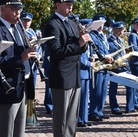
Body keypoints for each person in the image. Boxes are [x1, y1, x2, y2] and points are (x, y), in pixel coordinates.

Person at [0, 0, 38, 136]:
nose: (18, 12)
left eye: (19, 8)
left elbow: (22, 52)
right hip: (7, 88)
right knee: (5, 131)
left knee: (19, 131)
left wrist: (31, 49)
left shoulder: (19, 28)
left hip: (22, 86)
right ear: (3, 9)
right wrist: (20, 57)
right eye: (14, 8)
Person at [43, 0, 91, 136]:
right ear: (57, 4)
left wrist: (84, 40)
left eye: (71, 4)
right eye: (67, 4)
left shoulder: (72, 23)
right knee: (61, 117)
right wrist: (79, 44)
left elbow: (80, 48)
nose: (70, 7)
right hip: (62, 76)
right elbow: (56, 51)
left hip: (75, 74)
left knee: (72, 117)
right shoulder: (52, 24)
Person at [88, 14, 113, 120]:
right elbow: (92, 51)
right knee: (96, 90)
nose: (101, 26)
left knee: (103, 90)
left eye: (102, 23)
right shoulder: (92, 35)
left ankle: (100, 110)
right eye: (99, 23)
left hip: (105, 65)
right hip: (98, 65)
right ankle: (93, 112)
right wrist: (103, 57)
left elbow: (106, 49)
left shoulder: (103, 35)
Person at [20, 11, 42, 126]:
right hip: (24, 64)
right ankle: (24, 116)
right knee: (24, 90)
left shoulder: (33, 31)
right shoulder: (19, 31)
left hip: (33, 64)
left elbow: (39, 49)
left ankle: (30, 116)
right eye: (24, 20)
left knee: (31, 91)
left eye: (28, 21)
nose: (26, 23)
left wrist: (38, 55)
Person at [107, 21, 134, 115]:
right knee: (113, 88)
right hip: (115, 67)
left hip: (124, 66)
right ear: (115, 30)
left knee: (130, 85)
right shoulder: (109, 41)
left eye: (122, 29)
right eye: (120, 29)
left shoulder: (121, 40)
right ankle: (114, 108)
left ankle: (130, 107)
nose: (122, 31)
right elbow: (109, 54)